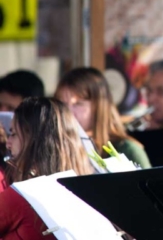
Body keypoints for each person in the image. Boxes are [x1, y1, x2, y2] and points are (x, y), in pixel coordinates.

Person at [0, 97, 94, 239]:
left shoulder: (24, 196)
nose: (8, 143)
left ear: (35, 141)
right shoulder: (90, 194)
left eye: (13, 134)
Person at [55, 67, 152, 169]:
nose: (68, 112)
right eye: (62, 104)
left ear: (99, 107)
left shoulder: (128, 150)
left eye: (79, 104)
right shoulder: (55, 149)